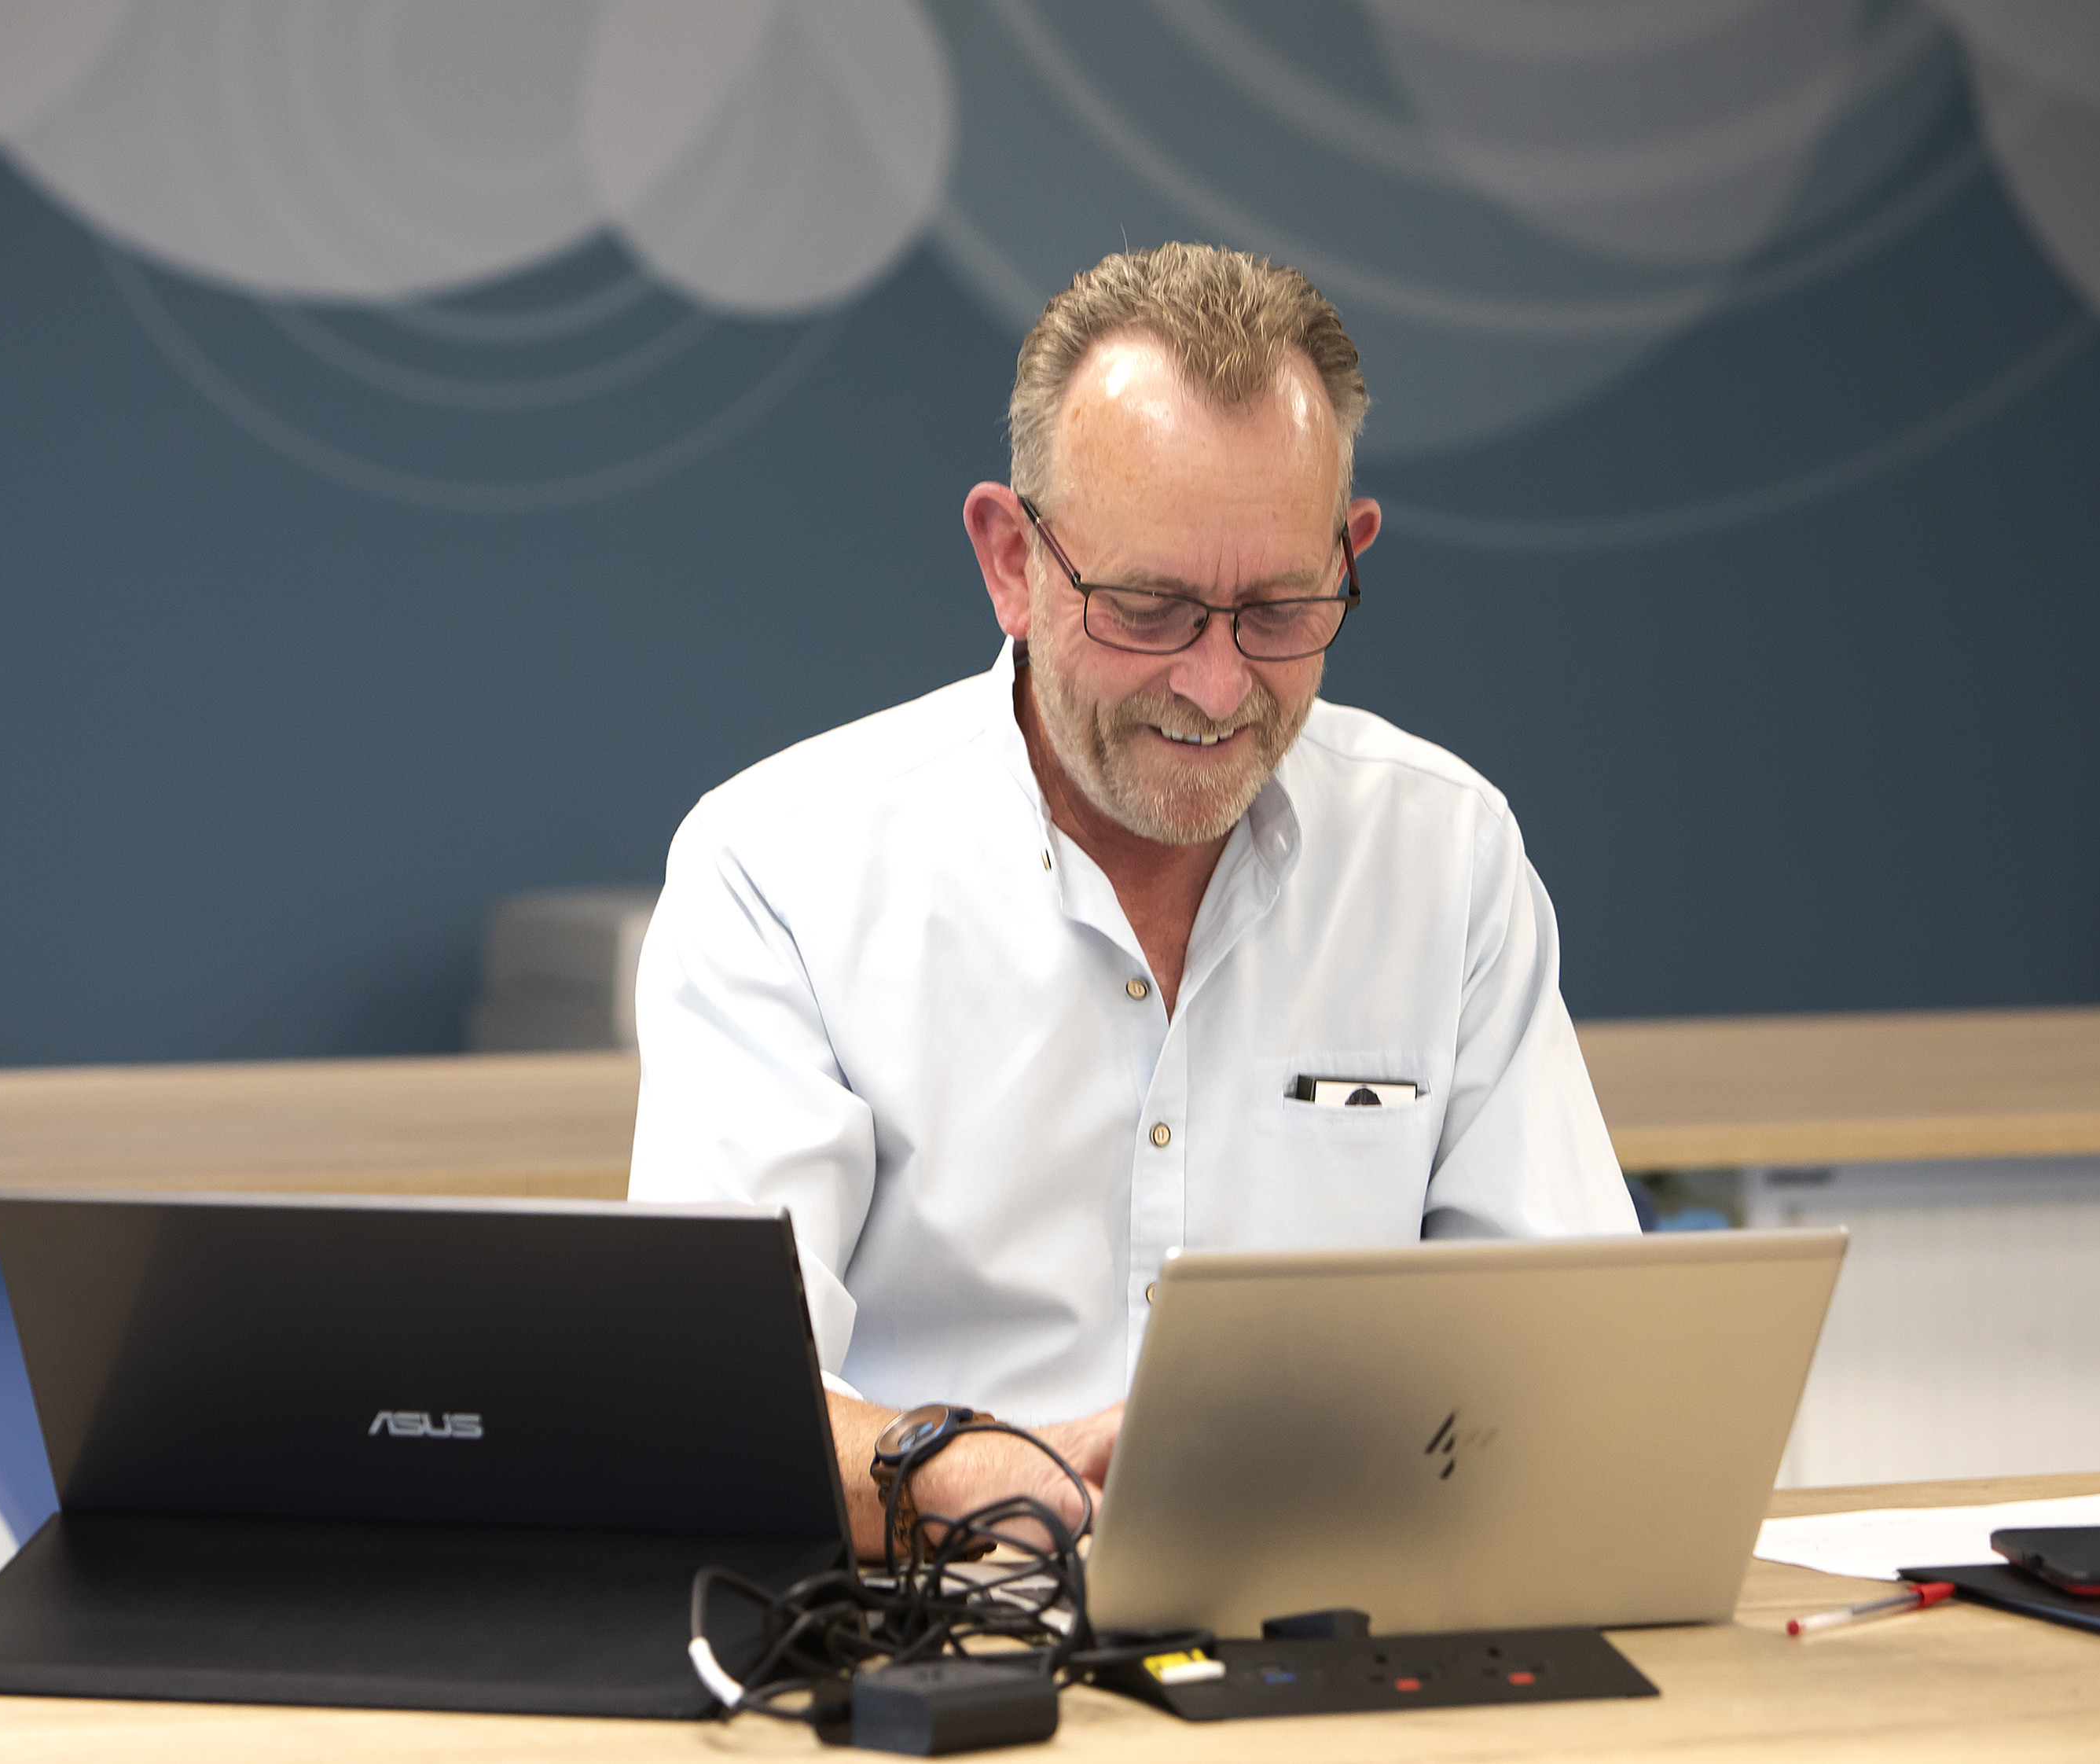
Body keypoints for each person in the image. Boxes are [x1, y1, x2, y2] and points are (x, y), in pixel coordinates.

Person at [629, 244, 1634, 1557]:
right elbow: (707, 1409)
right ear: (1010, 561)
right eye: (1149, 610)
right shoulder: (783, 865)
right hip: (928, 1634)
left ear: (1350, 552)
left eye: (1279, 610)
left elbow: (1581, 1364)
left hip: (1341, 1636)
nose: (1217, 689)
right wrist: (955, 1468)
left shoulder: (1443, 853)